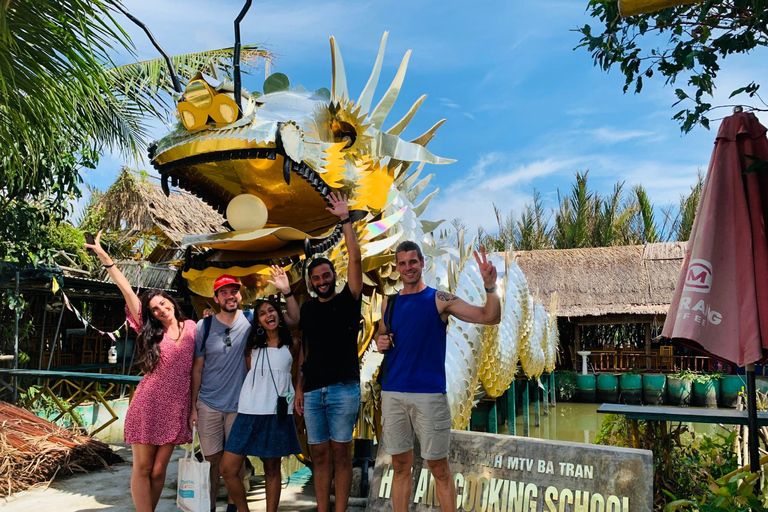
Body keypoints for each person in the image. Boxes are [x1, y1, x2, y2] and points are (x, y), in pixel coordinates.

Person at [375, 241, 501, 512]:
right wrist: (379, 340)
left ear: (422, 262)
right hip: (393, 393)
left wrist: (490, 287)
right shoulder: (390, 302)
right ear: (397, 267)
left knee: (439, 468)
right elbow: (382, 332)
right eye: (403, 263)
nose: (408, 267)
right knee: (399, 466)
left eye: (413, 261)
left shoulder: (439, 299)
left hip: (429, 395)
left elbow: (489, 317)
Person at [86, 231, 196, 512]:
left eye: (162, 303)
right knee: (144, 468)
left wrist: (194, 406)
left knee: (160, 472)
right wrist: (106, 258)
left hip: (176, 406)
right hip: (149, 402)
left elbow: (201, 367)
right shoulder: (150, 329)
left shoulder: (194, 328)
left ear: (170, 301)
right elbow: (126, 289)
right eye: (153, 308)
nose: (159, 309)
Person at [189, 268, 297, 512]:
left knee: (251, 465)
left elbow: (291, 322)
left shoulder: (251, 320)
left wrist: (286, 291)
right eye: (223, 292)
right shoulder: (205, 327)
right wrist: (192, 406)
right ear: (215, 298)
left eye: (234, 291)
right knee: (216, 463)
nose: (230, 296)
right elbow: (197, 369)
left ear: (240, 295)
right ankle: (213, 507)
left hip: (248, 406)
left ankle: (233, 507)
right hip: (222, 404)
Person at [294, 192, 362, 512]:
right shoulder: (307, 310)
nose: (322, 281)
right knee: (319, 456)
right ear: (311, 282)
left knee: (341, 455)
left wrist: (345, 219)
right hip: (312, 392)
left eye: (325, 275)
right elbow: (304, 353)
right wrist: (298, 389)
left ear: (333, 276)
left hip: (342, 389)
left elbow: (355, 259)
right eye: (316, 278)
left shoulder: (348, 300)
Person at [219, 298, 302, 512]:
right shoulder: (252, 346)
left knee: (272, 469)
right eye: (262, 313)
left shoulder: (293, 343)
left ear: (279, 315)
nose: (268, 315)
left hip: (276, 413)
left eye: (271, 310)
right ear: (258, 322)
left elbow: (298, 374)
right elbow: (251, 374)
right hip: (249, 411)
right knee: (227, 468)